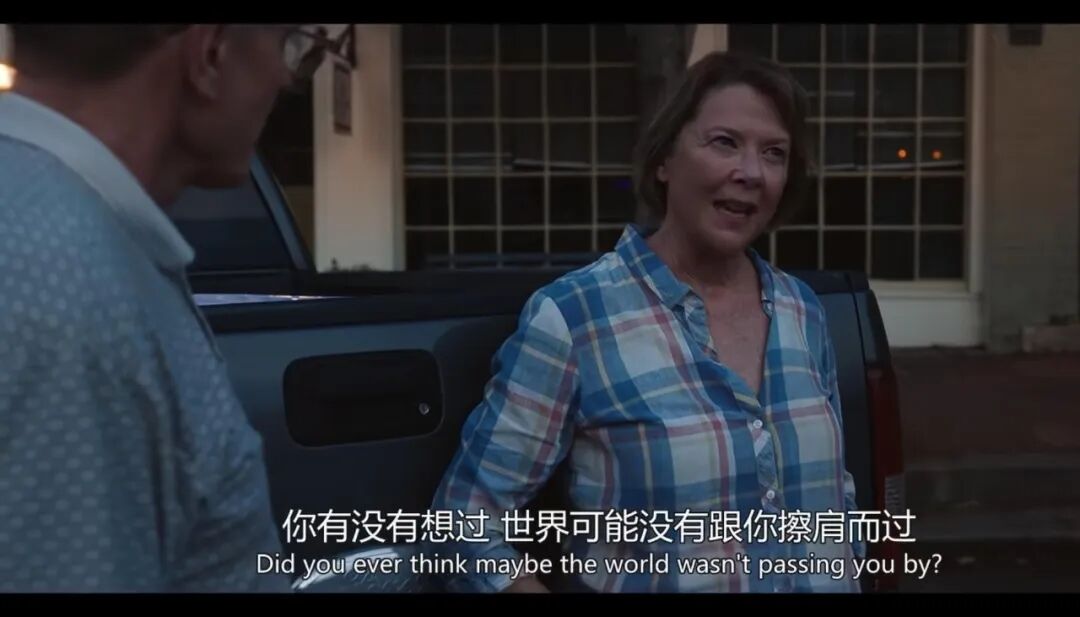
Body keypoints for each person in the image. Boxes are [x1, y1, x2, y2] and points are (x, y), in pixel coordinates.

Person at [430, 51, 863, 593]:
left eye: (774, 153)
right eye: (724, 142)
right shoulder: (576, 317)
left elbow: (836, 506)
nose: (751, 172)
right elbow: (463, 523)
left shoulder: (803, 310)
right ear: (664, 160)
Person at [0, 24, 334, 592]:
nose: (284, 76)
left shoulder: (67, 247)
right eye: (285, 43)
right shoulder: (65, 293)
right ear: (211, 53)